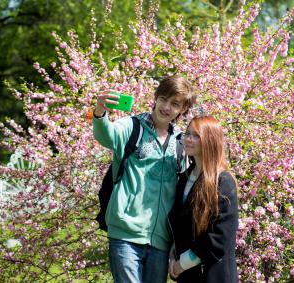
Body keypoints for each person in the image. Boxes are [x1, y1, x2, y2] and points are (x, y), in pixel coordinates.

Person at [93, 75, 197, 283]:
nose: (166, 107)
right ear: (156, 97)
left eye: (175, 104)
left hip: (161, 240)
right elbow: (107, 134)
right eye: (164, 99)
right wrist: (100, 111)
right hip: (126, 233)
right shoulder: (132, 127)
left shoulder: (180, 142)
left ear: (182, 110)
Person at [167, 115, 239, 283]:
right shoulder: (184, 178)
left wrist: (181, 264)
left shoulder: (223, 181)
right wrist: (173, 255)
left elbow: (220, 237)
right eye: (187, 134)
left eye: (195, 135)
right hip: (188, 276)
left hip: (214, 276)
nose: (188, 139)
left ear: (210, 140)